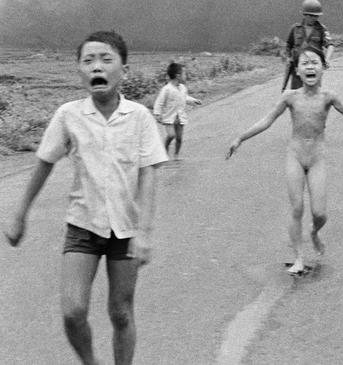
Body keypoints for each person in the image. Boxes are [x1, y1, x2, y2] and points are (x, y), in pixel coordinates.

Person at [3, 31, 168, 365]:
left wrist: (146, 233)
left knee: (121, 313)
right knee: (72, 311)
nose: (97, 66)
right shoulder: (68, 115)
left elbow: (149, 174)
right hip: (82, 226)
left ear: (124, 69)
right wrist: (20, 213)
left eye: (106, 59)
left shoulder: (139, 117)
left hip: (125, 230)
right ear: (79, 70)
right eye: (88, 60)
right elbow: (44, 164)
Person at [226, 47, 343, 275]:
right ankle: (298, 258)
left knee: (320, 213)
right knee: (297, 208)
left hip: (316, 158)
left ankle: (314, 233)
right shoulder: (290, 97)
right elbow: (267, 120)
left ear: (323, 69)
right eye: (305, 63)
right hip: (295, 156)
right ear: (297, 71)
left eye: (315, 62)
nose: (310, 66)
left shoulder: (329, 97)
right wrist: (240, 138)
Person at [153, 62, 202, 160]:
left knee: (179, 138)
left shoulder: (183, 88)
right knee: (171, 135)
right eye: (184, 74)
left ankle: (176, 155)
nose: (186, 76)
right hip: (169, 117)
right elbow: (159, 102)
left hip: (180, 117)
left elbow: (184, 98)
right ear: (178, 76)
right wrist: (157, 114)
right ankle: (164, 151)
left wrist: (194, 101)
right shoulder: (166, 89)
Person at [282, 0, 334, 92]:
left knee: (313, 95)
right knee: (296, 95)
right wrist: (288, 58)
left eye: (316, 16)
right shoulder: (295, 29)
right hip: (298, 69)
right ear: (305, 15)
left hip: (314, 69)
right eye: (311, 15)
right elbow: (288, 46)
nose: (314, 18)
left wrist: (327, 60)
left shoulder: (322, 29)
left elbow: (330, 45)